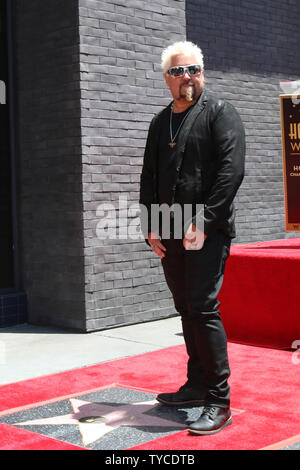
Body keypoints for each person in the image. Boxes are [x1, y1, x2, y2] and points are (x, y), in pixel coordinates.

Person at [139, 41, 245, 435]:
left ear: (203, 72)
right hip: (168, 227)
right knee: (185, 306)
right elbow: (149, 175)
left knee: (202, 306)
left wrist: (204, 220)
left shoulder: (220, 113)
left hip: (206, 230)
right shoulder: (159, 121)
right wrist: (150, 224)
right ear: (167, 77)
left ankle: (219, 400)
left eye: (194, 69)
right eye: (179, 71)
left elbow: (231, 172)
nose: (188, 77)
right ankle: (197, 385)